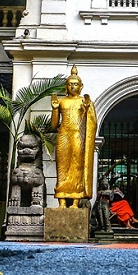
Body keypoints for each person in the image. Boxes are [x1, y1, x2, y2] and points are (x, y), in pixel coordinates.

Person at [50, 65, 97, 208]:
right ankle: (62, 201)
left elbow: (92, 122)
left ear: (81, 87)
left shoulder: (84, 102)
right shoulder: (62, 101)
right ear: (66, 86)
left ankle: (75, 201)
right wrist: (54, 110)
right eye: (70, 84)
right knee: (62, 168)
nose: (72, 87)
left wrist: (88, 108)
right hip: (64, 134)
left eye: (75, 84)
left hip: (78, 136)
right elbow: (53, 126)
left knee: (76, 167)